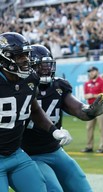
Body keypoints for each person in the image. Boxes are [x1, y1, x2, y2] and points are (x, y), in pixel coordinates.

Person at [22, 44, 103, 191]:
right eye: (41, 66)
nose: (46, 69)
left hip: (54, 149)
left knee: (81, 185)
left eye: (47, 65)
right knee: (53, 188)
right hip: (29, 153)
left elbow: (77, 109)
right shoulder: (22, 87)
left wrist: (89, 111)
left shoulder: (58, 86)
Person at [0, 32, 71, 192]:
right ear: (4, 58)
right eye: (20, 56)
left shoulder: (30, 78)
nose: (26, 60)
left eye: (26, 55)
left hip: (15, 153)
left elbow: (34, 109)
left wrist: (53, 130)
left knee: (40, 188)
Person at [82, 66, 103, 153]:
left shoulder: (102, 81)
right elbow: (85, 96)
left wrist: (93, 95)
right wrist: (95, 95)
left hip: (99, 107)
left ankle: (101, 147)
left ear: (97, 71)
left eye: (92, 71)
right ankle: (89, 146)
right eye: (90, 71)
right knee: (89, 127)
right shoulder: (87, 83)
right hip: (90, 106)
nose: (91, 73)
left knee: (102, 128)